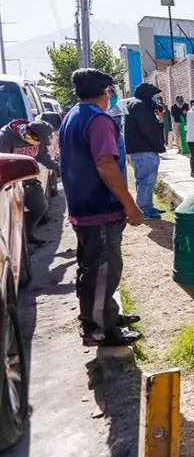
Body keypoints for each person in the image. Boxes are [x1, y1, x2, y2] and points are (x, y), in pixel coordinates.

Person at [59, 68, 143, 347]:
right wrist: (130, 205)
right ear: (107, 91)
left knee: (94, 267)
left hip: (82, 207)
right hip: (99, 208)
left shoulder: (72, 115)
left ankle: (106, 315)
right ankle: (100, 330)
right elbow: (106, 164)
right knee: (104, 270)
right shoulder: (98, 120)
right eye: (111, 90)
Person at [0, 118, 58, 244]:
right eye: (38, 140)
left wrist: (60, 168)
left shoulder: (37, 137)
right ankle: (20, 244)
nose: (39, 143)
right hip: (11, 181)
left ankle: (28, 234)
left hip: (29, 179)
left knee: (40, 206)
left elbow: (43, 157)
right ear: (29, 133)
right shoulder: (5, 137)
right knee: (12, 218)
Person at [123, 83, 167, 219]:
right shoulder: (141, 106)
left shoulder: (136, 105)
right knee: (147, 180)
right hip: (145, 148)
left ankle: (147, 206)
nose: (154, 98)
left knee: (143, 180)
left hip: (138, 148)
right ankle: (144, 209)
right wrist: (159, 144)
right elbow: (148, 128)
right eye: (152, 95)